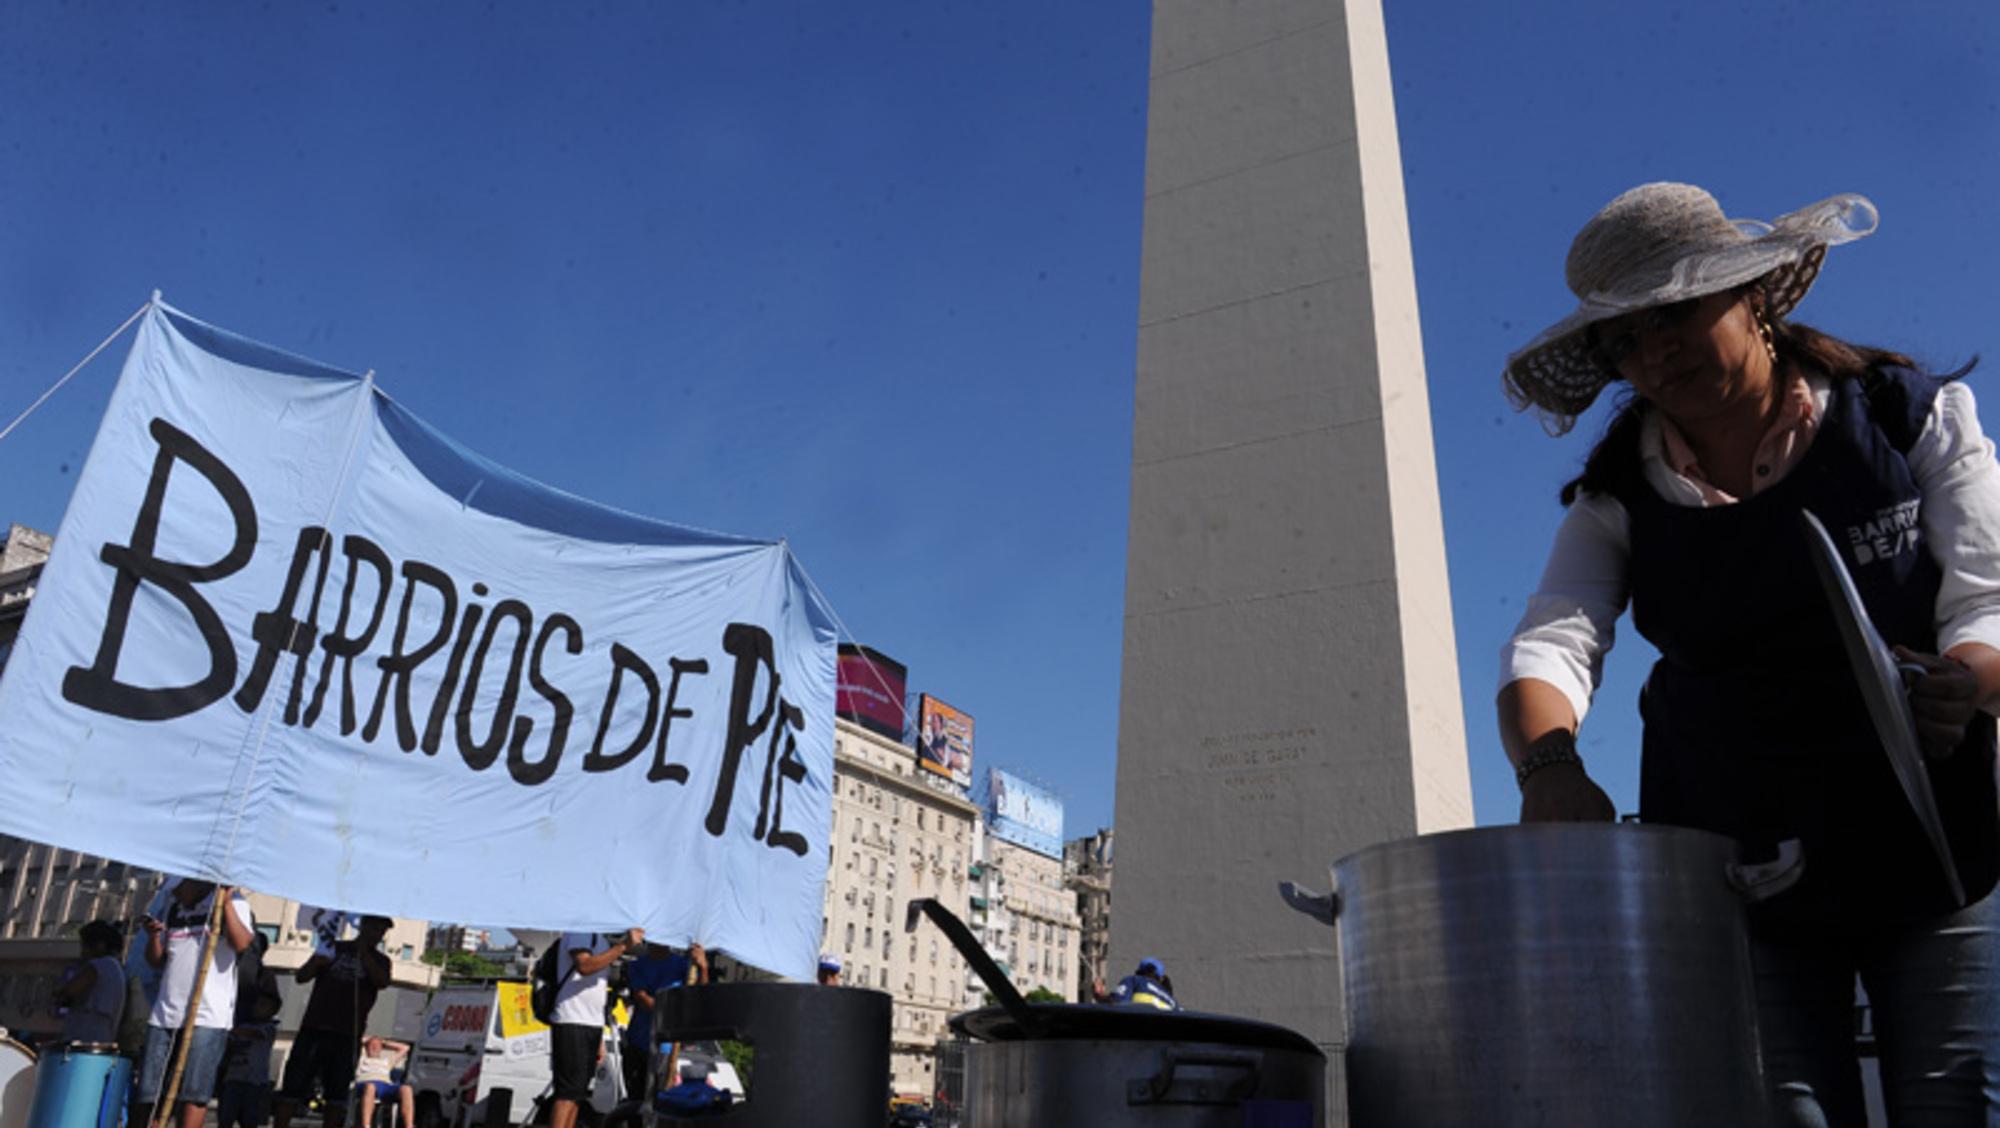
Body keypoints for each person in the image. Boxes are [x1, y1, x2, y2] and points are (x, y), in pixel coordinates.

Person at [1498, 181, 2000, 1126]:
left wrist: (1968, 681)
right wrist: (1549, 766)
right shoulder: (1613, 499)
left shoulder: (1906, 417)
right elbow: (1556, 638)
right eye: (1625, 339)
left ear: (1754, 294)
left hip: (1933, 852)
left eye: (1675, 313)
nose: (1653, 352)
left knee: (1955, 1108)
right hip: (1740, 875)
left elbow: (1992, 593)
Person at [133, 880, 256, 1128]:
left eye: (180, 887)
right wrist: (154, 936)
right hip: (166, 1012)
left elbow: (242, 943)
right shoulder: (172, 906)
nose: (176, 892)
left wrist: (227, 901)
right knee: (150, 1094)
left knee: (194, 1093)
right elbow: (158, 961)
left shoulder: (235, 903)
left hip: (208, 1015)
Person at [273, 915, 394, 1128]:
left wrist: (365, 954)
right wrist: (316, 962)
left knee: (337, 1094)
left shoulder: (382, 960)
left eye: (382, 931)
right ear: (363, 926)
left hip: (347, 1034)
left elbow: (382, 982)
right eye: (374, 928)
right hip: (315, 1028)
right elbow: (301, 977)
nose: (377, 935)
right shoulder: (335, 948)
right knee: (293, 1087)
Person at [548, 928, 642, 1128]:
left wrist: (599, 1037)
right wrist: (623, 946)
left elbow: (595, 992)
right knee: (566, 1094)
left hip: (590, 1023)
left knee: (577, 1095)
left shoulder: (601, 940)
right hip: (571, 1019)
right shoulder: (581, 929)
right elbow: (584, 965)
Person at [621, 941, 706, 1104]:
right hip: (640, 1044)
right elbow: (642, 998)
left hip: (666, 1048)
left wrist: (703, 967)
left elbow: (698, 996)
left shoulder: (683, 965)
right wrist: (674, 1011)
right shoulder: (637, 965)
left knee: (661, 1102)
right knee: (637, 1102)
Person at [216, 934, 283, 1128]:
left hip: (253, 1075)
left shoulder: (264, 975)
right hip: (231, 1055)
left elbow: (271, 1003)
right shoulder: (231, 969)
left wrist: (238, 1029)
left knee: (250, 1118)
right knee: (226, 1111)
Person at [53, 920, 126, 1045]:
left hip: (85, 1035)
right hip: (103, 1034)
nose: (82, 952)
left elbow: (69, 991)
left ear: (99, 945)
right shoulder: (117, 968)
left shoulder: (99, 965)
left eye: (84, 946)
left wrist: (59, 993)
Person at [350, 1036, 415, 1128]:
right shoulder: (361, 1060)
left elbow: (405, 1048)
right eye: (372, 1045)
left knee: (406, 1089)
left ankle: (409, 1125)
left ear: (381, 1048)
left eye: (377, 1046)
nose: (374, 1048)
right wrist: (366, 1040)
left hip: (384, 1084)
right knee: (370, 1087)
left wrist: (384, 1043)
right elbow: (354, 1042)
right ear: (366, 1047)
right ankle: (366, 1125)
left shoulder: (387, 1061)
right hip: (366, 1083)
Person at [1098, 958, 1178, 1011]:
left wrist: (1099, 995)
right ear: (1160, 979)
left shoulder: (1135, 980)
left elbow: (1116, 1003)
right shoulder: (1172, 1001)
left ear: (1139, 972)